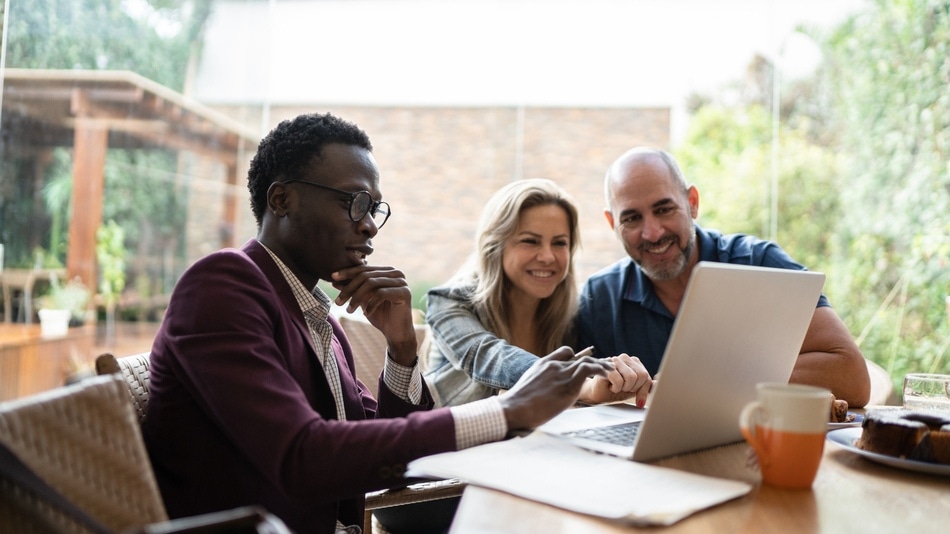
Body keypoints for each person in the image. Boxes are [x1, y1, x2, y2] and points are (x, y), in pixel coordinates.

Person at [141, 113, 614, 534]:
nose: (368, 225)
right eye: (355, 202)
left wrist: (402, 349)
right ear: (281, 200)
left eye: (374, 209)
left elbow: (392, 457)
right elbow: (303, 458)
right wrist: (508, 411)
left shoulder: (319, 317)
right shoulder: (222, 285)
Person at [575, 146, 871, 407]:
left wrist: (711, 382)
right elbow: (566, 386)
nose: (652, 232)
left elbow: (852, 376)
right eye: (631, 218)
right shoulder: (598, 298)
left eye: (664, 209)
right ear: (612, 223)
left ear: (692, 203)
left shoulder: (760, 264)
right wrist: (591, 389)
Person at [425, 178, 652, 408]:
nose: (547, 257)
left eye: (559, 243)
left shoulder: (572, 315)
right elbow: (489, 358)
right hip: (451, 441)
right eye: (530, 241)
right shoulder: (448, 302)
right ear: (495, 246)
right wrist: (581, 385)